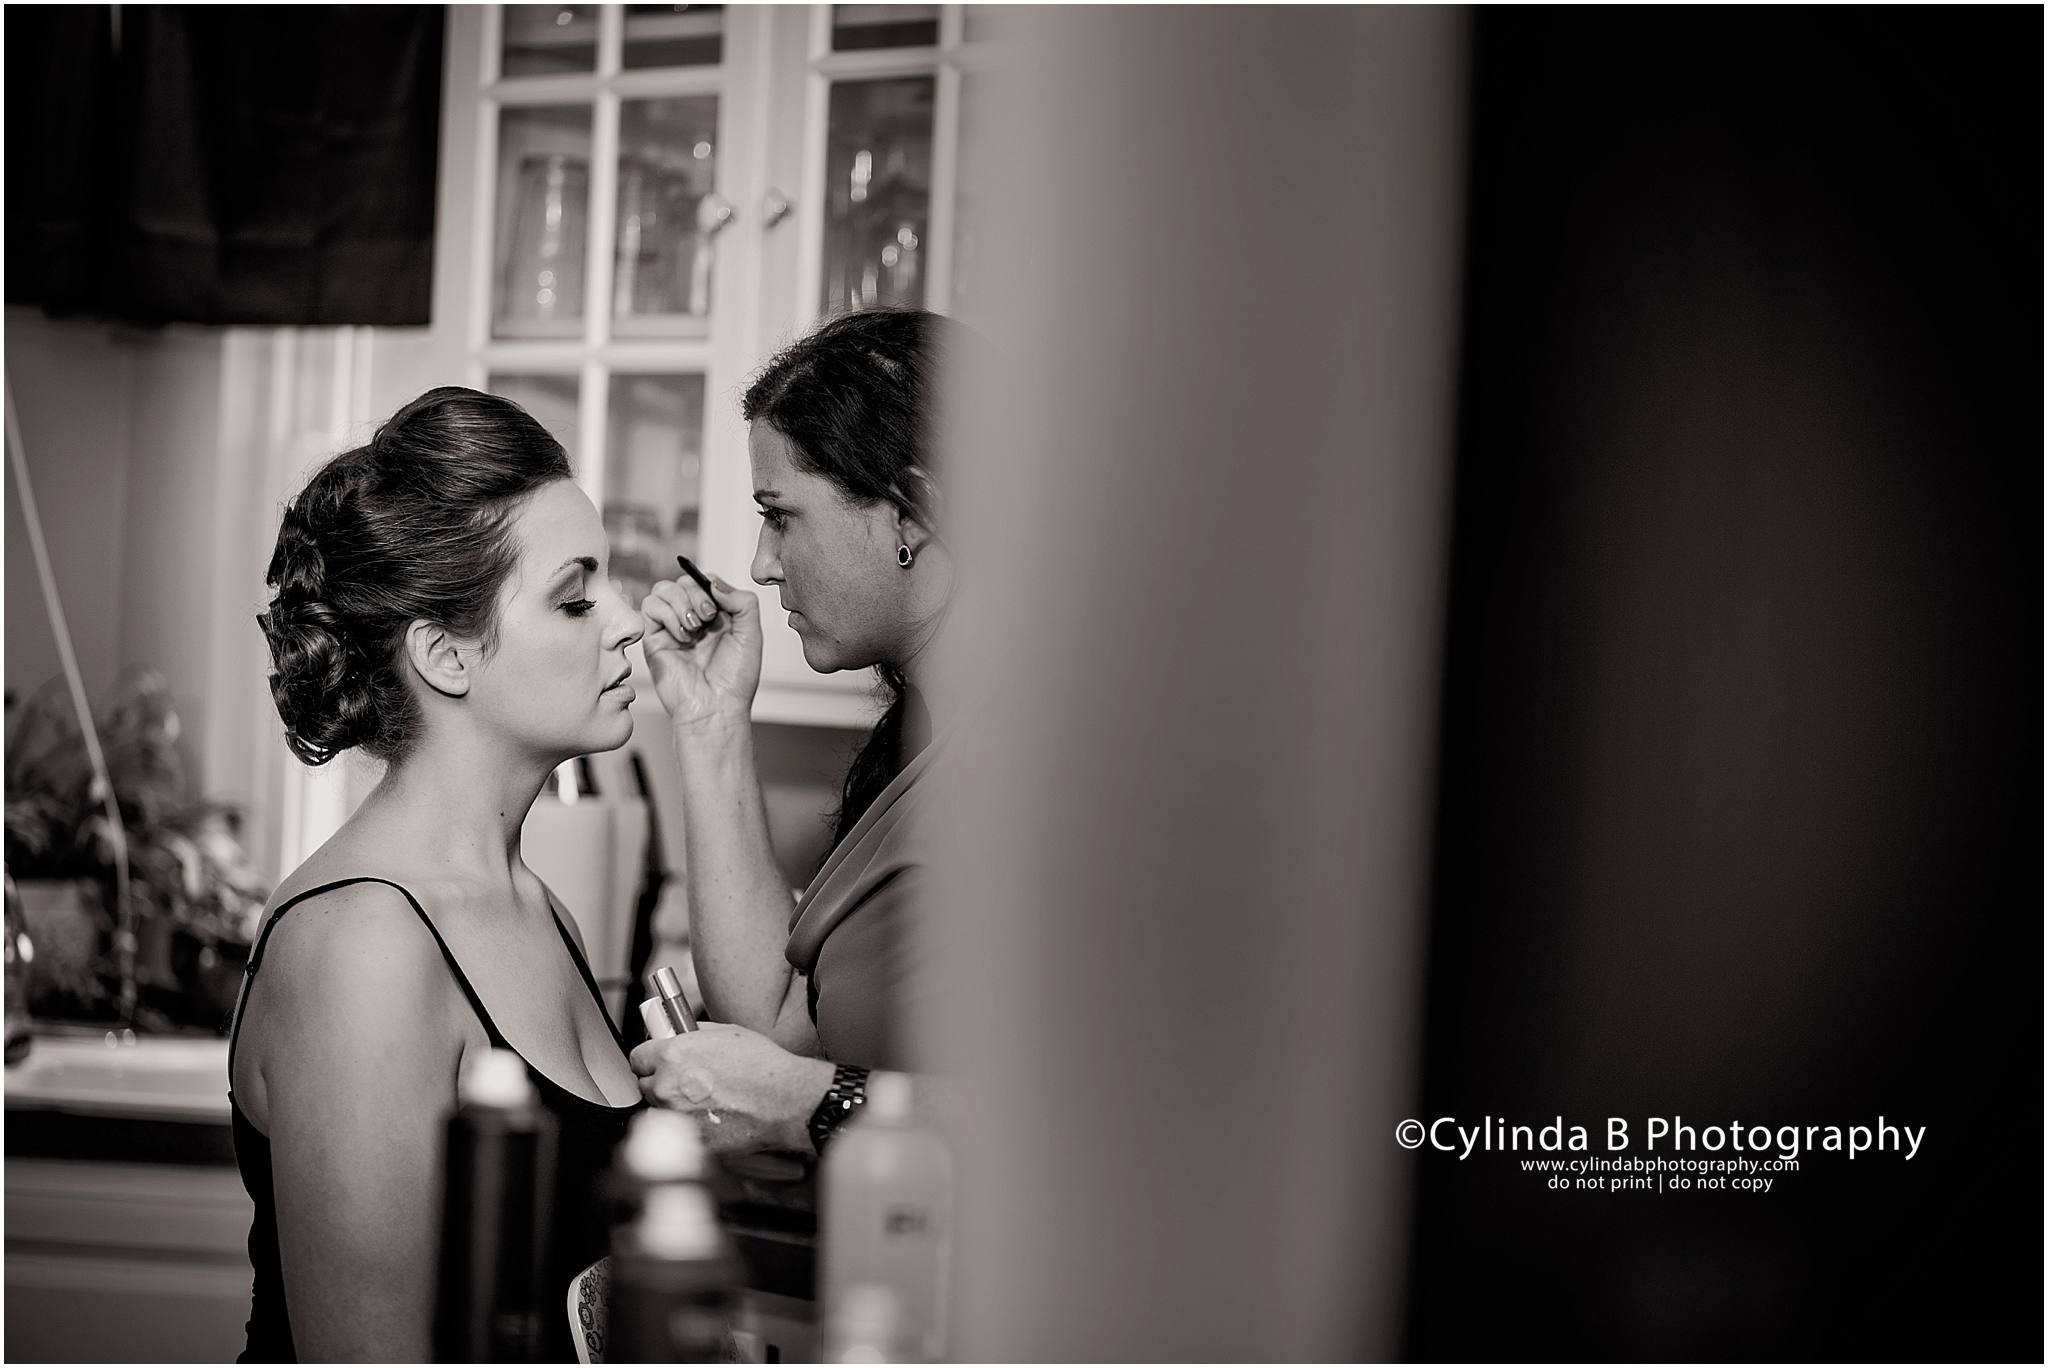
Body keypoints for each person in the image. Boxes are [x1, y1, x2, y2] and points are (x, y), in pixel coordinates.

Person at [229, 388, 645, 1362]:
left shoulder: (538, 908)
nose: (625, 623)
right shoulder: (363, 948)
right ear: (446, 655)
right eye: (575, 599)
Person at [631, 309, 957, 1156]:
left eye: (781, 516)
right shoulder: (924, 754)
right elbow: (780, 1023)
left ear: (913, 514)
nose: (761, 564)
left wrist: (809, 1101)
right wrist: (709, 721)